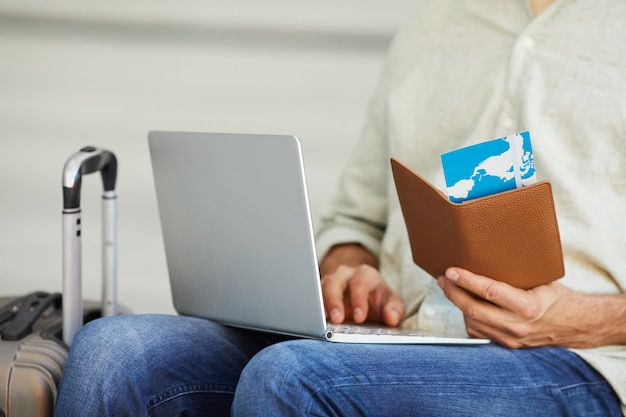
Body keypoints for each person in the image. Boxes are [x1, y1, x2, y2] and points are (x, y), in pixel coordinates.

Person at [55, 0, 626, 415]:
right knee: (113, 349)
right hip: (410, 336)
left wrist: (586, 318)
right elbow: (355, 221)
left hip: (585, 358)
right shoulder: (432, 25)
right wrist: (350, 272)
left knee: (293, 377)